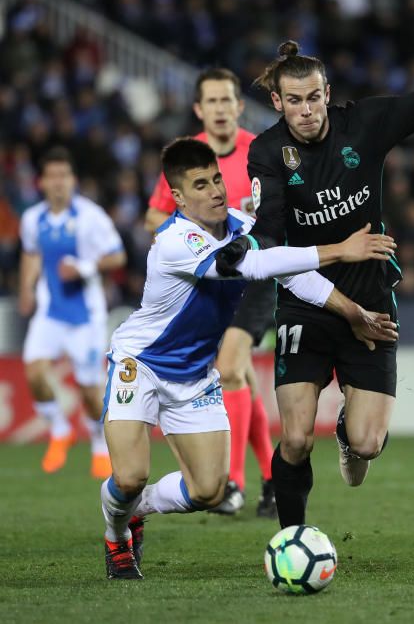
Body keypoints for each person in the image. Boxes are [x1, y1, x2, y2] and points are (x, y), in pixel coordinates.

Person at [217, 0, 414, 528]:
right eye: (292, 101)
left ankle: (348, 431)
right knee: (294, 436)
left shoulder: (364, 124)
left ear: (327, 92)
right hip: (308, 301)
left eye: (313, 97)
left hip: (373, 298)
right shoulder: (268, 153)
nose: (305, 110)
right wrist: (247, 245)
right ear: (277, 102)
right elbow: (272, 232)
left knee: (366, 445)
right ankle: (290, 540)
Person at [101, 137, 397, 579]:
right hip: (140, 364)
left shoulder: (240, 225)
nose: (216, 191)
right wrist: (340, 250)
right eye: (200, 185)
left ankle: (135, 512)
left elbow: (294, 276)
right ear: (178, 197)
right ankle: (116, 534)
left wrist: (354, 313)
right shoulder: (175, 241)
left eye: (217, 179)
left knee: (207, 491)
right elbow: (248, 267)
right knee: (128, 477)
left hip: (195, 376)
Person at [145, 68, 277, 517]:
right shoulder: (190, 160)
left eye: (228, 101)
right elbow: (154, 218)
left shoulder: (258, 152)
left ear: (239, 106)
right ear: (200, 110)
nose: (221, 109)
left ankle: (233, 483)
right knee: (241, 377)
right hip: (209, 286)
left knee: (229, 367)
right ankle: (273, 480)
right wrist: (188, 243)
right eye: (212, 103)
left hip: (255, 278)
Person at [19, 147, 126, 479]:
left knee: (89, 391)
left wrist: (84, 267)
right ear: (41, 182)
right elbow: (32, 254)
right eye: (52, 176)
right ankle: (60, 429)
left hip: (86, 318)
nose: (58, 183)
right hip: (50, 313)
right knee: (34, 372)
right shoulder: (32, 219)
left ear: (73, 180)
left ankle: (97, 442)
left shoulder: (91, 217)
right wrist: (26, 289)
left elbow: (118, 256)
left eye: (63, 176)